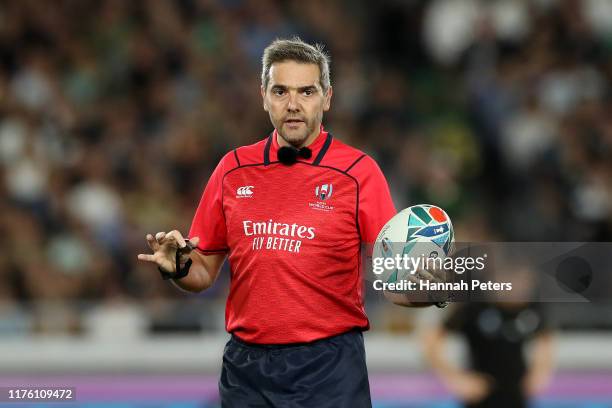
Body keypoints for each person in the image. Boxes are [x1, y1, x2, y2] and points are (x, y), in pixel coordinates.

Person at [137, 37, 438, 407]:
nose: (293, 104)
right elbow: (202, 272)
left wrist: (432, 286)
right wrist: (178, 266)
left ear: (327, 98)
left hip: (328, 367)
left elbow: (400, 278)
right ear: (264, 96)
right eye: (280, 91)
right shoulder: (232, 169)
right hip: (246, 369)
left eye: (306, 91)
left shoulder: (359, 173)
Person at [423, 301, 554, 408]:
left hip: (517, 394)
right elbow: (431, 339)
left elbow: (545, 337)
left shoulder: (531, 305)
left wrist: (540, 371)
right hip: (479, 396)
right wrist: (454, 378)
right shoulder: (473, 307)